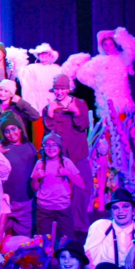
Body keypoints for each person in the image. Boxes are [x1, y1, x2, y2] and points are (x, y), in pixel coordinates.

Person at [42, 74, 92, 235]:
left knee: (83, 188)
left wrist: (76, 112)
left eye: (62, 88)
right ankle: (60, 225)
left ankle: (80, 224)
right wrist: (50, 114)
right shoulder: (49, 107)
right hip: (60, 157)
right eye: (57, 89)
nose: (59, 92)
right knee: (56, 189)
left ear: (69, 89)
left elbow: (83, 126)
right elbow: (50, 135)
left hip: (78, 154)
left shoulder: (80, 103)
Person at [31, 133, 84, 243]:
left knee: (67, 241)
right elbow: (34, 188)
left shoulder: (66, 162)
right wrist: (35, 178)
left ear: (60, 148)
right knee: (43, 242)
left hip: (63, 207)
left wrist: (68, 173)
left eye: (54, 145)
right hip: (44, 208)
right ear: (43, 147)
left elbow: (82, 184)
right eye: (47, 145)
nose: (51, 148)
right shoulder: (39, 163)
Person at [17, 44, 62, 146]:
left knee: (53, 134)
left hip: (51, 105)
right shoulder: (31, 68)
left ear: (50, 56)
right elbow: (24, 80)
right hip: (36, 106)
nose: (44, 56)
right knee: (38, 135)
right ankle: (38, 154)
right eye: (41, 54)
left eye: (46, 54)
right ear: (38, 55)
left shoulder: (56, 69)